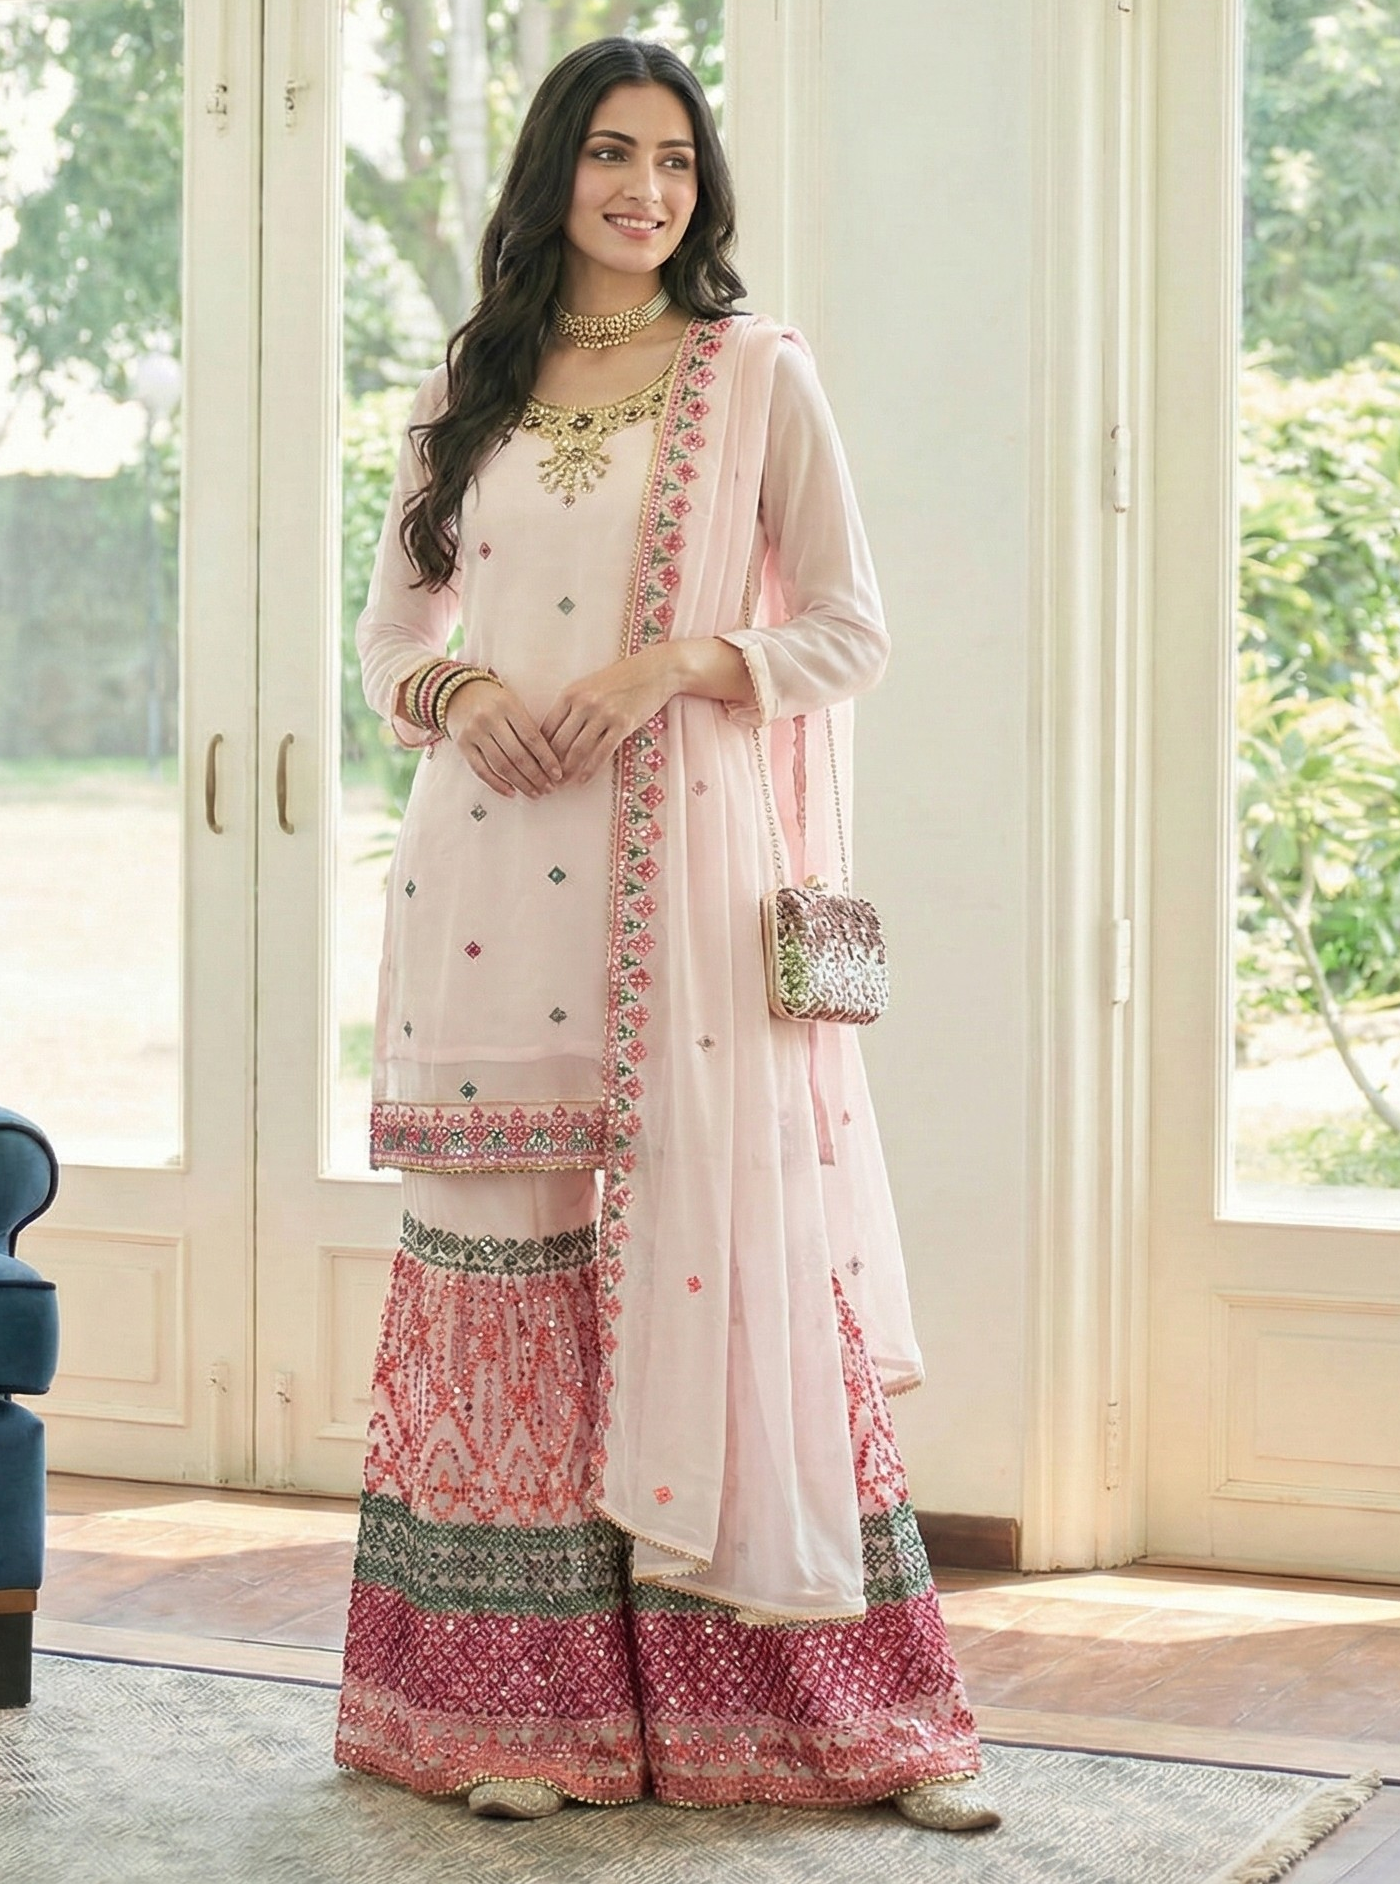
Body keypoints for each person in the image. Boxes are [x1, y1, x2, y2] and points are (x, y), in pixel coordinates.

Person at [334, 35, 1001, 1833]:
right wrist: (459, 691)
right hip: (482, 870)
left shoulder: (751, 373)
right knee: (513, 1261)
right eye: (613, 154)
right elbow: (392, 626)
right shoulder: (466, 383)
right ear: (553, 170)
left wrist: (675, 666)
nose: (646, 190)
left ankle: (826, 1716)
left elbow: (849, 630)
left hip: (690, 869)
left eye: (678, 163)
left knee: (729, 1254)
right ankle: (510, 1720)